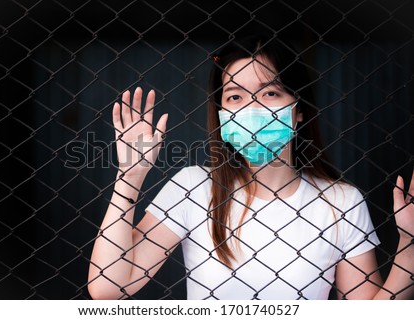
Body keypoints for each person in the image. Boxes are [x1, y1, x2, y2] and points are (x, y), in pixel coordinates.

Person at [88, 36, 414, 300]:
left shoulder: (341, 201)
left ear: (299, 110)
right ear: (221, 112)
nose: (252, 108)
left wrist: (411, 245)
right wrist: (129, 177)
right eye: (234, 97)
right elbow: (108, 287)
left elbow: (371, 311)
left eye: (270, 92)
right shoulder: (193, 186)